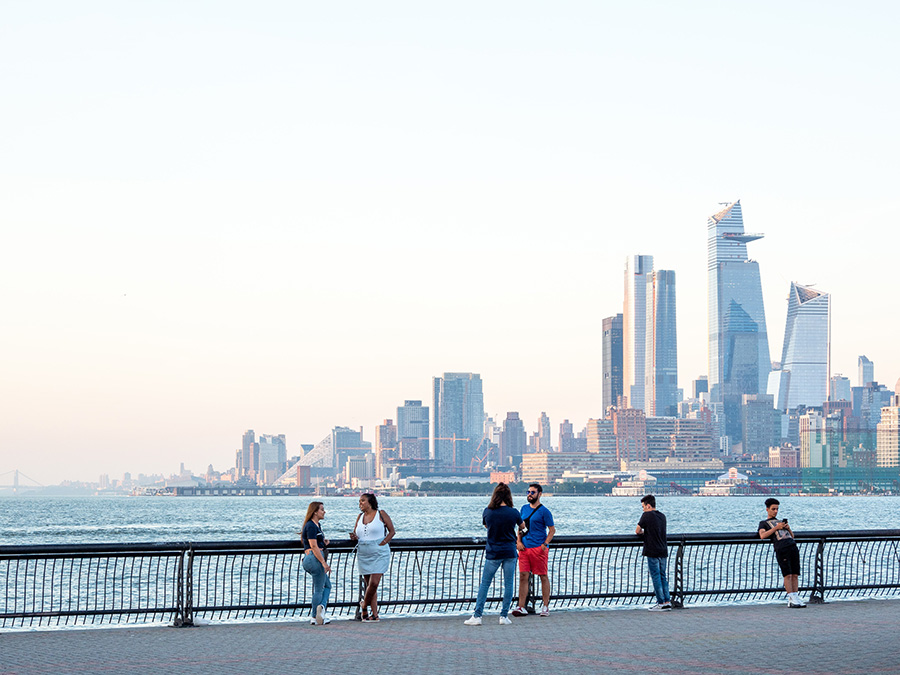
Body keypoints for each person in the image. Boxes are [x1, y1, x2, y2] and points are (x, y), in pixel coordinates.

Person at [464, 482, 524, 626]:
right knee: (509, 584)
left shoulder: (488, 511)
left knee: (485, 584)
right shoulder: (514, 512)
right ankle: (504, 616)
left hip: (493, 552)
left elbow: (486, 525)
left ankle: (477, 615)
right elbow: (522, 527)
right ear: (508, 496)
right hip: (510, 551)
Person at [511, 483, 555, 617]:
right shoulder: (523, 509)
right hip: (524, 548)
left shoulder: (544, 511)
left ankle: (545, 606)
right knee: (523, 576)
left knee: (543, 576)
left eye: (533, 492)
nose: (529, 495)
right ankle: (521, 606)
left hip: (538, 548)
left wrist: (545, 544)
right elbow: (520, 527)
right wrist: (518, 541)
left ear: (539, 494)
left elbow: (552, 530)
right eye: (528, 492)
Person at [349, 493, 395, 622]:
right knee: (369, 585)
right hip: (364, 552)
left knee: (374, 583)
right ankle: (374, 615)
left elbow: (392, 531)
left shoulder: (381, 514)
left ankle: (364, 606)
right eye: (359, 501)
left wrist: (384, 542)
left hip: (379, 552)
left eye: (363, 501)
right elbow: (356, 533)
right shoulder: (360, 516)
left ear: (370, 501)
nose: (360, 503)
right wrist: (354, 537)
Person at [758, 498, 806, 608]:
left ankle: (795, 596)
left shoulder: (780, 522)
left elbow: (792, 536)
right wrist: (776, 528)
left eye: (777, 509)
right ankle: (792, 597)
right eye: (773, 509)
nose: (775, 511)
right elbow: (762, 535)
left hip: (792, 546)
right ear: (767, 509)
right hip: (782, 548)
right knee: (787, 574)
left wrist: (788, 528)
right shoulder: (763, 523)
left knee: (795, 573)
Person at [636, 494, 671, 611]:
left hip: (652, 550)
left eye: (643, 506)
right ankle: (667, 601)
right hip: (663, 549)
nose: (643, 509)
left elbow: (637, 530)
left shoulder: (646, 515)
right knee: (663, 576)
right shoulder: (662, 516)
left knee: (655, 576)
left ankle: (660, 603)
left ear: (648, 505)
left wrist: (643, 533)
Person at [300, 501, 332, 625]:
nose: (324, 512)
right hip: (314, 559)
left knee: (327, 585)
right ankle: (316, 615)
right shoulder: (311, 526)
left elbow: (316, 543)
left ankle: (320, 611)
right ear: (315, 512)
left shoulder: (316, 526)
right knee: (319, 589)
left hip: (313, 558)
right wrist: (324, 563)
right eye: (322, 509)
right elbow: (313, 546)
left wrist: (324, 542)